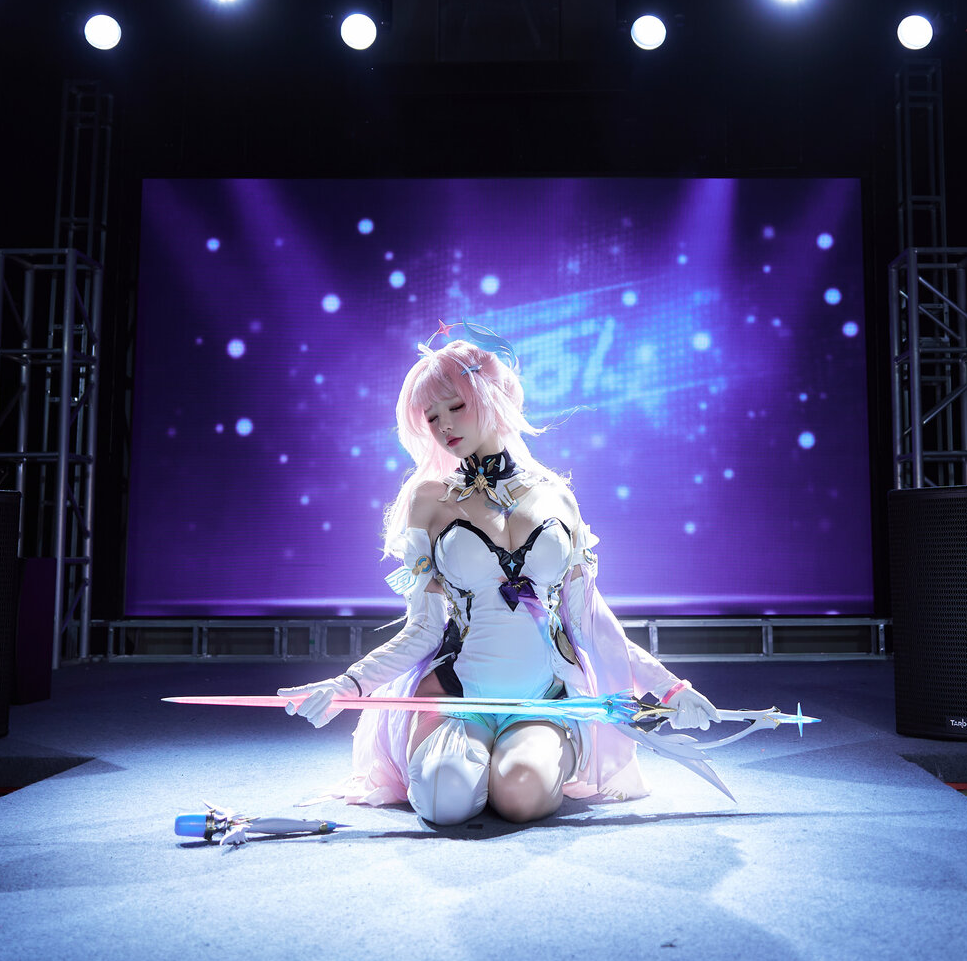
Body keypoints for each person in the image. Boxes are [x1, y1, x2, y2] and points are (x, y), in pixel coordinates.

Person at [279, 330, 718, 826]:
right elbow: (423, 628)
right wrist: (346, 686)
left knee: (522, 797)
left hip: (543, 698)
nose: (444, 425)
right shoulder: (429, 500)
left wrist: (671, 688)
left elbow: (591, 624)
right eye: (431, 417)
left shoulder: (556, 496)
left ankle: (501, 766)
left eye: (455, 406)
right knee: (445, 800)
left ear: (491, 396)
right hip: (456, 693)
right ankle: (471, 765)